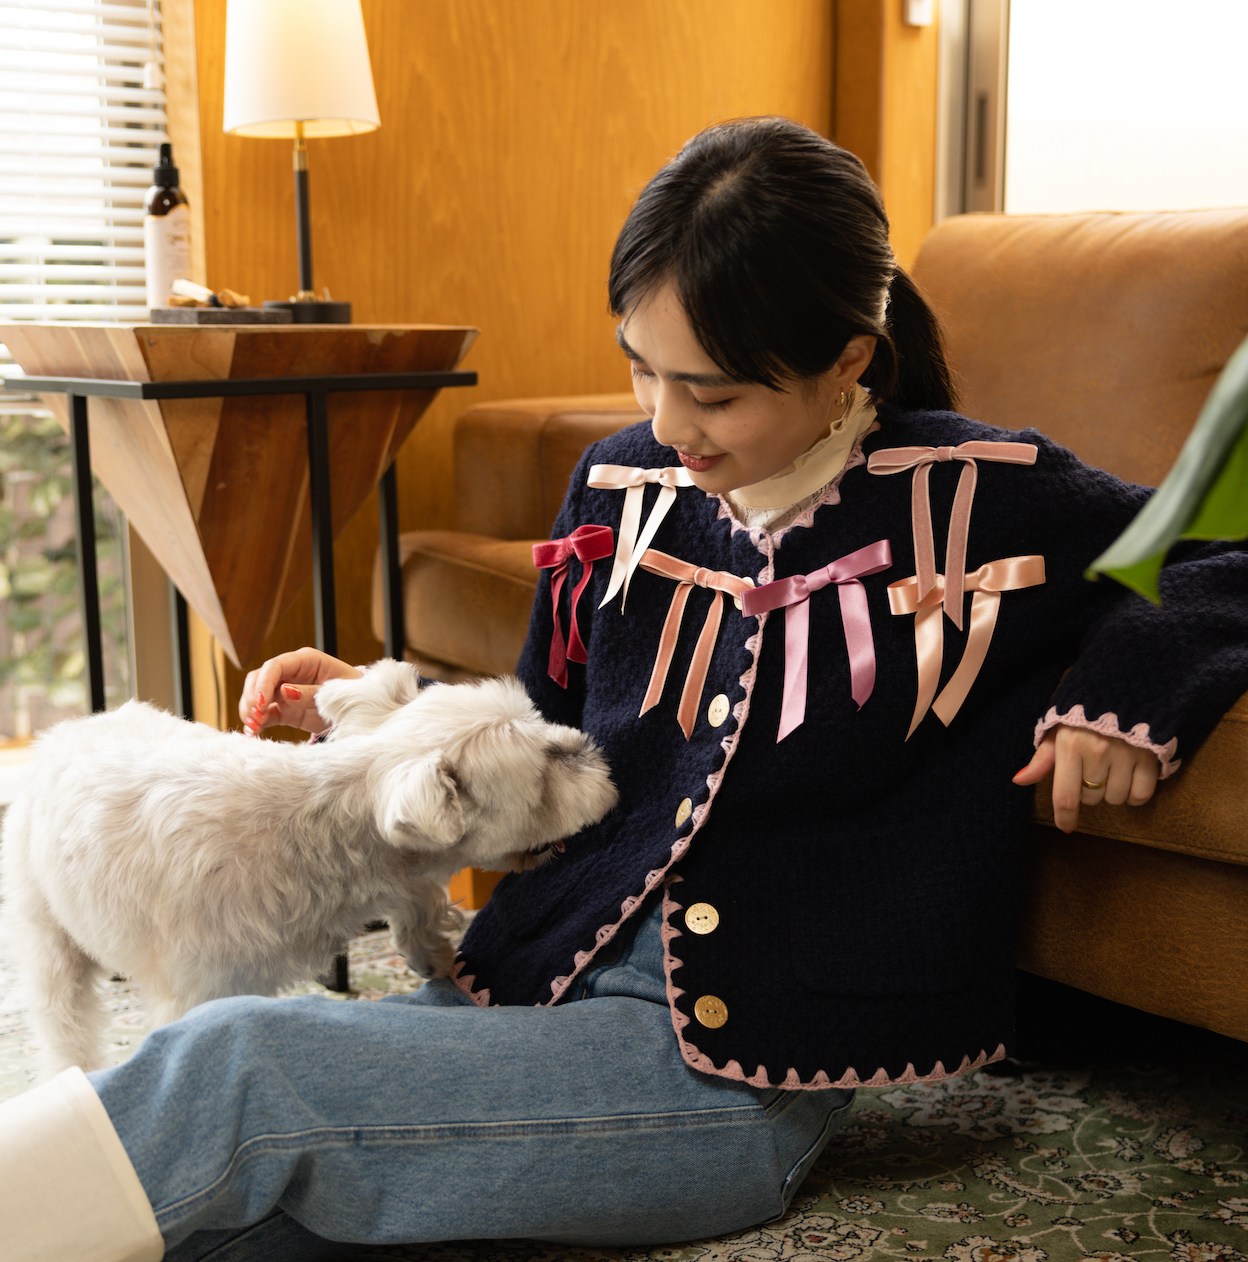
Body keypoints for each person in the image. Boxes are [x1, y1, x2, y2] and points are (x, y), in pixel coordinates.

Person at [4, 117, 1246, 1262]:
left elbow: (1216, 550)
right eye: (643, 371)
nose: (665, 421)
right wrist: (385, 710)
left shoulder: (980, 492)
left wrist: (1120, 697)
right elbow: (550, 718)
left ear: (845, 361)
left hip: (728, 1074)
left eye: (712, 390)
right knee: (230, 1207)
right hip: (528, 982)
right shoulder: (617, 483)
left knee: (239, 1065)